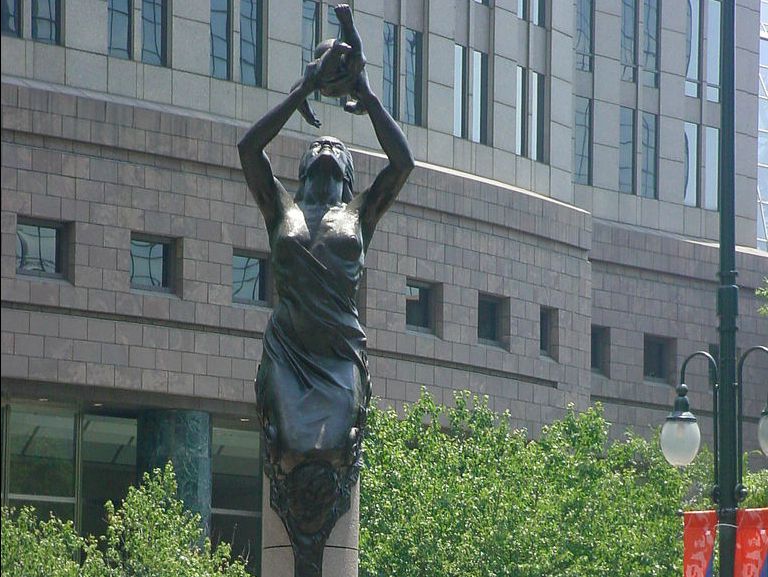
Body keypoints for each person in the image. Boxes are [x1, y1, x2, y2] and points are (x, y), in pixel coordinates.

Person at [237, 30, 413, 572]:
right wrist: (303, 89)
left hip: (337, 356)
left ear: (349, 178)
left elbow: (402, 164)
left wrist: (366, 92)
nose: (327, 150)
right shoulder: (280, 210)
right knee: (291, 442)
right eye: (319, 147)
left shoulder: (359, 214)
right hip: (289, 352)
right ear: (304, 167)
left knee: (334, 442)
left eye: (338, 152)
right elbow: (248, 149)